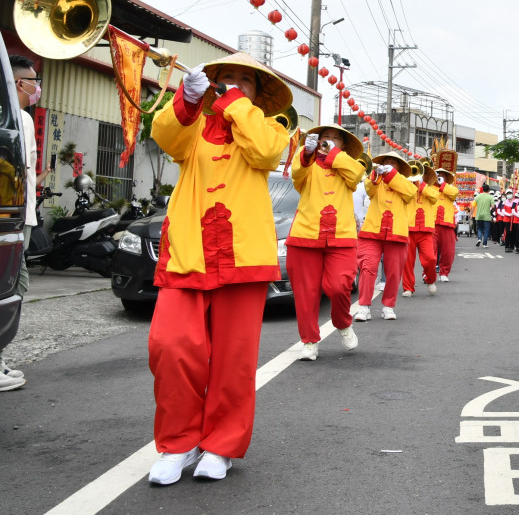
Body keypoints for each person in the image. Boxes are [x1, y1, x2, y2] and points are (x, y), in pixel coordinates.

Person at [145, 52, 291, 483]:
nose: (232, 84)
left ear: (257, 93)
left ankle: (221, 446)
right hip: (189, 252)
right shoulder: (193, 130)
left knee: (234, 361)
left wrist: (235, 104)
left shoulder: (269, 127)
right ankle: (179, 443)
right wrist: (186, 103)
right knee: (170, 347)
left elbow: (264, 153)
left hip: (243, 255)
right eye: (225, 78)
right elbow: (165, 138)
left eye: (244, 80)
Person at [287, 123, 366, 361]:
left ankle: (342, 323)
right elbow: (296, 174)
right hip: (305, 235)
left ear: (342, 145)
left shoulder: (347, 167)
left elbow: (357, 174)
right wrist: (308, 153)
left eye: (335, 139)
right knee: (306, 293)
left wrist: (334, 154)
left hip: (341, 236)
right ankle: (309, 340)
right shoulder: (306, 164)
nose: (328, 141)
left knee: (339, 286)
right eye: (325, 137)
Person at [2, 55, 49, 391]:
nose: (38, 88)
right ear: (19, 83)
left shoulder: (21, 119)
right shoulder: (17, 119)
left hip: (22, 212)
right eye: (34, 81)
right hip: (16, 215)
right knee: (13, 286)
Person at [355, 153, 417, 322]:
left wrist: (391, 176)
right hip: (372, 230)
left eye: (393, 163)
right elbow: (369, 189)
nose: (389, 165)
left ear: (399, 168)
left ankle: (388, 306)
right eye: (386, 162)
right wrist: (377, 174)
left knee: (394, 272)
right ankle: (364, 307)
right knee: (367, 268)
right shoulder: (375, 180)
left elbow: (410, 193)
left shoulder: (406, 184)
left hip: (396, 232)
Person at [404, 164, 441, 296]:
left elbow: (435, 198)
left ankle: (430, 280)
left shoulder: (431, 188)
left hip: (426, 229)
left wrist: (422, 186)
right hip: (409, 227)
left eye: (422, 174)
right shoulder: (407, 186)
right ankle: (408, 287)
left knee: (430, 259)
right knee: (408, 260)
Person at [433, 169, 459, 281]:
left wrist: (442, 183)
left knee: (448, 252)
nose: (439, 176)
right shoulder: (430, 188)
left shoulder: (450, 189)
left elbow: (454, 193)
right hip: (432, 223)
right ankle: (428, 272)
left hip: (447, 224)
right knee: (430, 252)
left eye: (442, 175)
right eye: (437, 175)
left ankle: (444, 273)